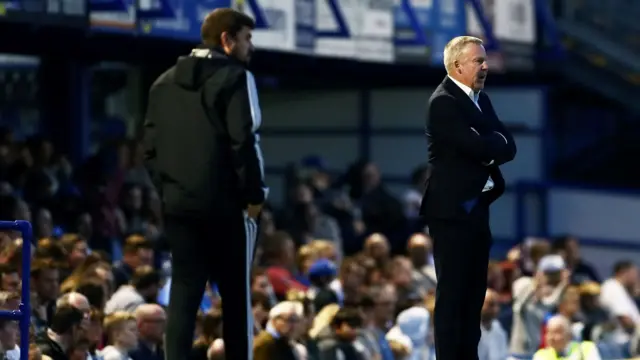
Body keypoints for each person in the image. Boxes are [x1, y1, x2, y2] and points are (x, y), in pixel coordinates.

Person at [142, 7, 267, 360]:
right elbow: (244, 140)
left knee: (184, 290)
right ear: (227, 40)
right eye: (247, 39)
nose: (251, 47)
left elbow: (149, 149)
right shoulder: (236, 77)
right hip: (226, 204)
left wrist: (168, 190)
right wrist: (253, 195)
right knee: (236, 296)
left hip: (178, 203)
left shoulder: (162, 82)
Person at [420, 35, 517, 360]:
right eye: (478, 61)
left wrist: (487, 147)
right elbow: (480, 146)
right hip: (451, 211)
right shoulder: (444, 101)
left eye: (484, 60)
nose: (485, 66)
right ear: (457, 65)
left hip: (477, 207)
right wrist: (489, 147)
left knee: (474, 294)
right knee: (452, 295)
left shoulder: (480, 100)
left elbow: (509, 145)